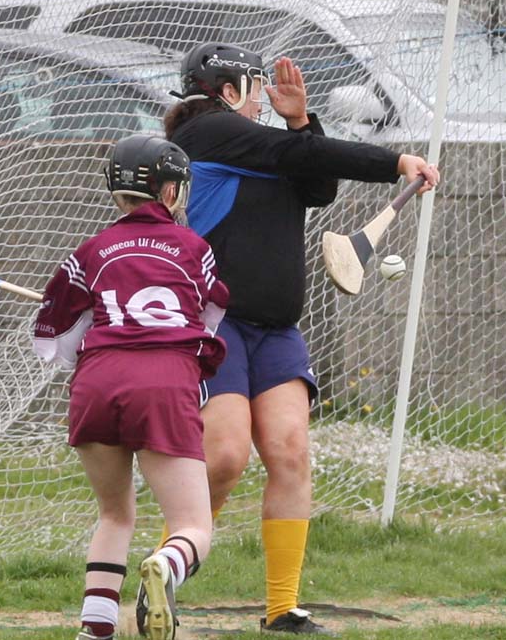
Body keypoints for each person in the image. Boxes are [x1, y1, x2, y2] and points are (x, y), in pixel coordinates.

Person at [136, 43, 439, 635]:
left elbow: (317, 185)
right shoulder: (206, 132)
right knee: (225, 458)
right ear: (228, 91)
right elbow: (301, 156)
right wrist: (397, 160)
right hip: (216, 326)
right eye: (254, 88)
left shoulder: (262, 146)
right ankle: (164, 575)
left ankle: (282, 608)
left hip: (276, 329)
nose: (261, 99)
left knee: (290, 452)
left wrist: (301, 119)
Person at [33, 135, 229, 640]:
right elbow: (210, 317)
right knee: (193, 526)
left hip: (98, 382)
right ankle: (166, 564)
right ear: (169, 191)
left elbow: (53, 343)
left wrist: (90, 320)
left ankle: (94, 629)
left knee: (115, 514)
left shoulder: (91, 251)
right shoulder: (195, 248)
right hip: (163, 380)